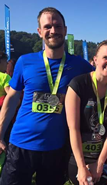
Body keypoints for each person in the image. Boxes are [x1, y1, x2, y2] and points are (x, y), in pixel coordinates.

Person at [0, 7, 93, 185]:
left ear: (65, 30)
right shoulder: (25, 61)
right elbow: (11, 99)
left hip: (56, 148)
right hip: (21, 145)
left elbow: (102, 82)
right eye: (48, 26)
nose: (53, 31)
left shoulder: (80, 66)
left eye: (57, 26)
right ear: (39, 32)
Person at [65, 39, 107, 185]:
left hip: (105, 158)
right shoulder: (78, 84)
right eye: (106, 57)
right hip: (79, 157)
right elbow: (73, 129)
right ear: (95, 60)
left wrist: (99, 164)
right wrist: (81, 166)